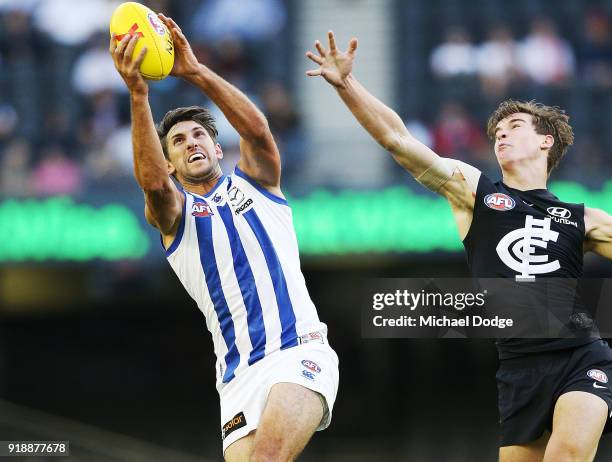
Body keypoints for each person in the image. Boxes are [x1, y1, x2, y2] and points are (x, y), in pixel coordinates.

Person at [306, 31, 612, 462]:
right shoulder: (476, 194)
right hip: (519, 368)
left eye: (515, 127)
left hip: (580, 354)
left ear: (546, 142)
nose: (501, 135)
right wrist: (345, 84)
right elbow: (397, 139)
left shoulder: (584, 218)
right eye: (497, 131)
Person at [109, 16, 339, 461]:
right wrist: (139, 95)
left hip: (297, 351)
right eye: (177, 140)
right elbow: (155, 188)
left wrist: (195, 72)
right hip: (236, 378)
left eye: (200, 134)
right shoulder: (174, 215)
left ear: (218, 149)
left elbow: (257, 131)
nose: (191, 142)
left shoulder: (257, 184)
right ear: (170, 162)